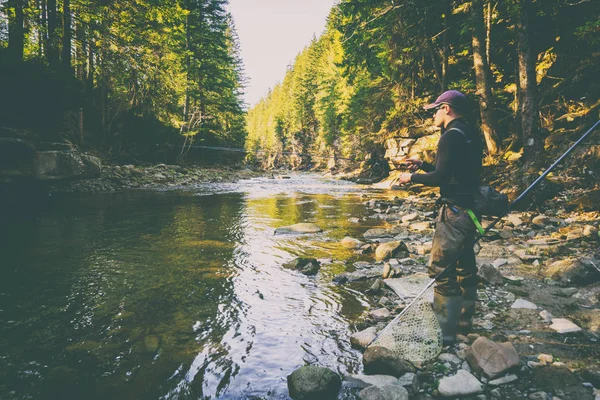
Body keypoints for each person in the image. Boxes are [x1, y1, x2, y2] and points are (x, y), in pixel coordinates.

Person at [394, 90, 482, 345]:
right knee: (465, 268)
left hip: (453, 214)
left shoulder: (449, 137)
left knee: (441, 269)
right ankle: (463, 325)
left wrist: (411, 177)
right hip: (471, 212)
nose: (433, 114)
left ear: (447, 109)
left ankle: (443, 334)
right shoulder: (470, 134)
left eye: (435, 109)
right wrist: (422, 165)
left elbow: (441, 179)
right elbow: (454, 174)